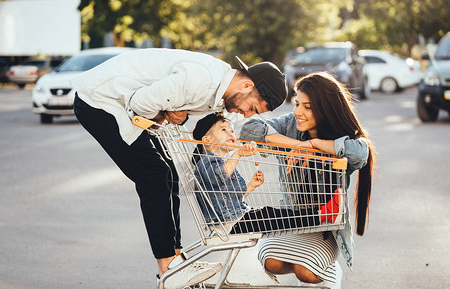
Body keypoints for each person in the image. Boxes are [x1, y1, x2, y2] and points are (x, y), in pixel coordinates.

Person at [70, 48, 288, 288]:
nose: (246, 114)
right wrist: (168, 114)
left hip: (122, 105)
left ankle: (177, 258)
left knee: (170, 174)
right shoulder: (201, 79)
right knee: (154, 175)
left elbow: (172, 110)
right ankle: (168, 268)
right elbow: (140, 103)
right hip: (101, 102)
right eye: (253, 108)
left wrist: (174, 115)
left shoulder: (218, 89)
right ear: (246, 85)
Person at [239, 71, 375, 287]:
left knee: (305, 272)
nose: (298, 112)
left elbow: (361, 153)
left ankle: (328, 271)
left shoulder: (343, 135)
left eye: (307, 107)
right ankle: (313, 262)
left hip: (325, 225)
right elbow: (247, 130)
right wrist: (297, 145)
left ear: (325, 109)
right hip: (291, 219)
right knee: (271, 262)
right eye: (296, 104)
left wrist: (314, 145)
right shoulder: (290, 125)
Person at [192, 112, 342, 236]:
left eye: (231, 130)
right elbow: (219, 176)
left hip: (234, 219)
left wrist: (251, 185)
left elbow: (229, 198)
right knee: (271, 216)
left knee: (271, 215)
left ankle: (321, 213)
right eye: (223, 130)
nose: (230, 133)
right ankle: (321, 214)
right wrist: (237, 153)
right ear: (206, 140)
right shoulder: (206, 162)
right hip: (229, 224)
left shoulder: (220, 162)